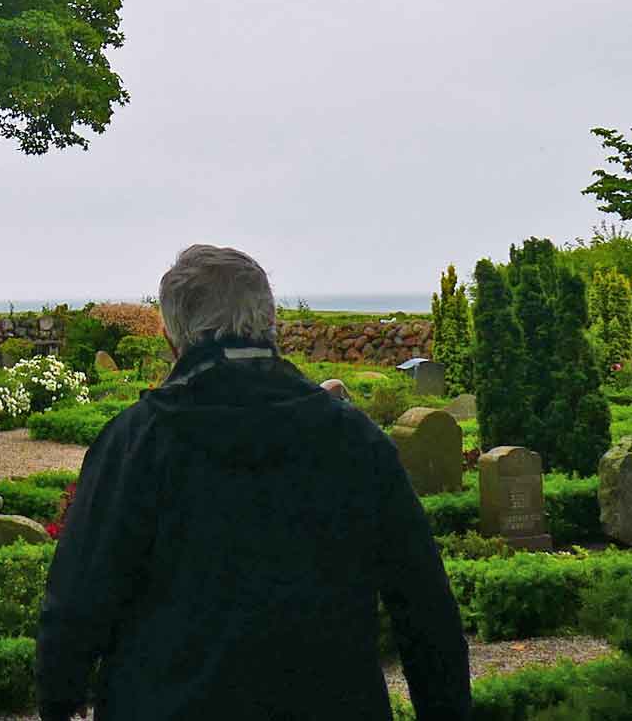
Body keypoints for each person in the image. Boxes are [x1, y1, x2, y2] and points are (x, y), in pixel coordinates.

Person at [35, 244, 470, 719]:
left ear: (170, 338)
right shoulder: (353, 439)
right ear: (270, 322)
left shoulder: (138, 442)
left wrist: (59, 698)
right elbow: (425, 607)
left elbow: (78, 597)